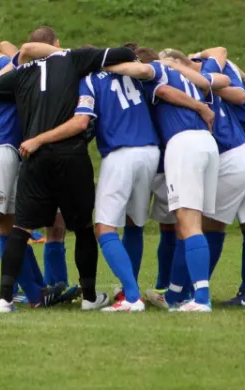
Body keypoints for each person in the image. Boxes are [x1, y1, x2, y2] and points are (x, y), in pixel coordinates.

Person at [0, 26, 137, 312]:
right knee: (83, 228)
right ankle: (88, 297)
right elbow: (126, 53)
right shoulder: (72, 58)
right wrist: (68, 53)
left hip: (33, 157)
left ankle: (4, 299)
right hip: (71, 154)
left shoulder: (20, 73)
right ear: (56, 44)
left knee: (21, 229)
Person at [155, 49, 245, 309]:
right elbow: (234, 82)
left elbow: (228, 76)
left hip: (230, 158)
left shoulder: (192, 87)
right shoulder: (210, 78)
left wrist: (173, 65)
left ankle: (185, 294)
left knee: (198, 227)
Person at [103, 47, 219, 312]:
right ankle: (180, 293)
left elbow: (160, 87)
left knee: (188, 224)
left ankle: (201, 299)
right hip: (206, 143)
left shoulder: (157, 71)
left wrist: (106, 66)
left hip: (183, 143)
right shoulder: (185, 75)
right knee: (188, 224)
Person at [0, 57, 78, 310]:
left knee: (11, 228)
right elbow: (9, 51)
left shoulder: (15, 72)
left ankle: (36, 294)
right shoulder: (28, 75)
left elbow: (2, 55)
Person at [71, 67, 161, 311]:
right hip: (151, 151)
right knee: (134, 223)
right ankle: (126, 291)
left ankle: (131, 297)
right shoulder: (133, 73)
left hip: (121, 153)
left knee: (104, 227)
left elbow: (82, 121)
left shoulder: (88, 80)